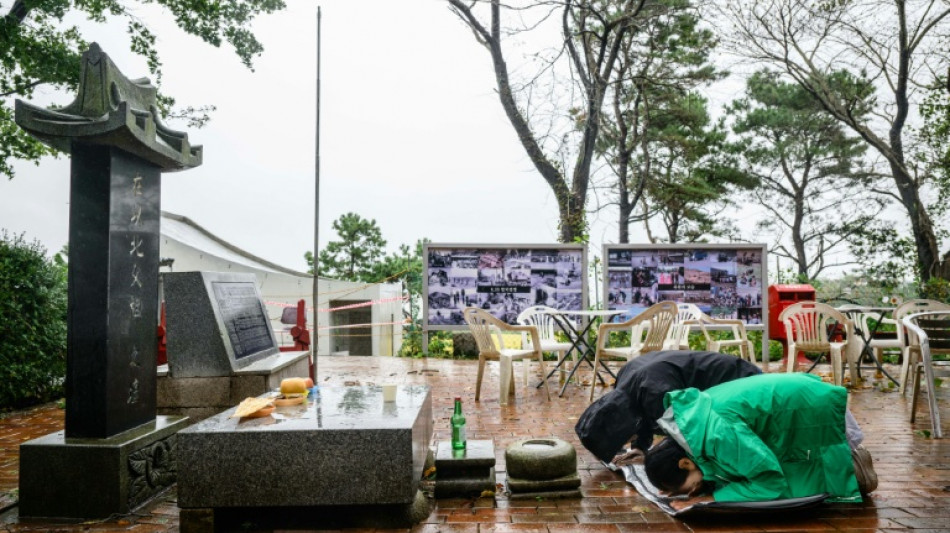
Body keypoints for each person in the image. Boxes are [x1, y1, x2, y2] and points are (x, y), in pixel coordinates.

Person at [644, 373, 876, 510]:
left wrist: (712, 497)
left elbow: (770, 480)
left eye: (684, 487)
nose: (689, 492)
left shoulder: (718, 435)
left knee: (792, 479)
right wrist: (697, 485)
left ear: (685, 463)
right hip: (802, 397)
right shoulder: (691, 425)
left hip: (821, 415)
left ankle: (856, 464)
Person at [575, 350, 762, 466]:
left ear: (620, 429)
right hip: (720, 379)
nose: (624, 445)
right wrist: (640, 447)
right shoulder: (625, 381)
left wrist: (652, 460)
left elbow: (687, 437)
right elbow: (641, 411)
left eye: (620, 443)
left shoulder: (657, 395)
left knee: (732, 436)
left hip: (743, 380)